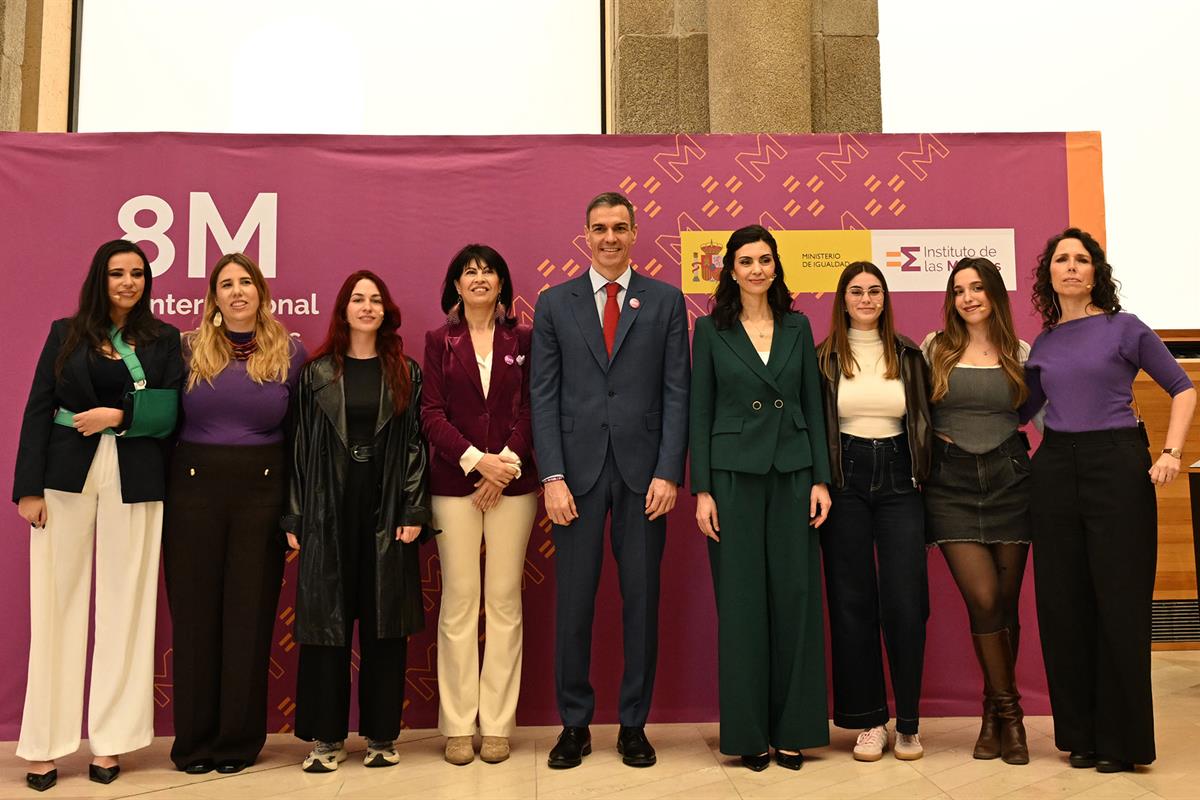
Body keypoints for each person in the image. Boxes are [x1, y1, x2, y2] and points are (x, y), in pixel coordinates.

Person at [1022, 228, 1195, 773]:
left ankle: (1122, 742)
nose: (1071, 267)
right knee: (1063, 603)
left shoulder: (1126, 327)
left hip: (1118, 464)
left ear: (1096, 272)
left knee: (1118, 603)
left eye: (1081, 259)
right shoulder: (1045, 341)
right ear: (1048, 274)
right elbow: (1019, 413)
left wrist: (1170, 450)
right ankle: (1083, 736)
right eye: (1061, 260)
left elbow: (1183, 388)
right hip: (1055, 468)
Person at [13, 239, 182, 792]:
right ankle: (44, 745)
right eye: (117, 274)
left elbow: (174, 408)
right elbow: (39, 407)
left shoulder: (164, 340)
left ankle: (110, 740)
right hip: (64, 477)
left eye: (137, 273)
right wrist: (27, 489)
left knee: (124, 605)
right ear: (100, 278)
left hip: (136, 478)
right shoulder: (66, 333)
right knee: (56, 604)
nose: (128, 282)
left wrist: (123, 414)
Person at [531, 191, 689, 769]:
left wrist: (669, 471)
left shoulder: (667, 301)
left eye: (620, 227)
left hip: (645, 476)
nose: (610, 238)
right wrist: (551, 476)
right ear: (585, 234)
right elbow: (542, 397)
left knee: (641, 601)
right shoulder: (554, 303)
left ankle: (633, 724)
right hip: (574, 477)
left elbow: (678, 392)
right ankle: (574, 724)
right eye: (599, 228)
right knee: (573, 603)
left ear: (635, 232)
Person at [690, 225, 831, 771]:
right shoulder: (709, 330)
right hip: (732, 477)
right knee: (743, 604)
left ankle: (794, 730)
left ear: (776, 267)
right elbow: (700, 411)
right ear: (729, 269)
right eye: (745, 260)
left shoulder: (799, 325)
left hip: (794, 472)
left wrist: (821, 477)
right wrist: (702, 488)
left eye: (764, 260)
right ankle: (749, 734)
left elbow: (812, 406)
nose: (755, 269)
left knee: (796, 600)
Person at [283, 270, 432, 773]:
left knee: (384, 624)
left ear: (385, 311)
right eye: (356, 299)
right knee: (327, 626)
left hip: (386, 506)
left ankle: (382, 736)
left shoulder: (405, 371)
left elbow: (415, 444)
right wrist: (296, 516)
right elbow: (300, 449)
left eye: (374, 300)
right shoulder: (317, 373)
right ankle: (326, 739)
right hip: (328, 506)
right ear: (343, 309)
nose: (366, 307)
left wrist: (413, 509)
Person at [163, 253, 306, 775]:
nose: (238, 291)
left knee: (249, 616)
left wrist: (295, 514)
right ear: (214, 297)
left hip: (262, 495)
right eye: (227, 284)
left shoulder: (289, 351)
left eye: (246, 282)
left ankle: (238, 743)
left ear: (261, 292)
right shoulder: (186, 349)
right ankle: (194, 743)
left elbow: (298, 441)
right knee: (197, 619)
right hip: (193, 493)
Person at [422, 244, 538, 766]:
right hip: (455, 485)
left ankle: (496, 723)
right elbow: (430, 413)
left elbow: (538, 406)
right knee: (461, 600)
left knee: (505, 600)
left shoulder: (526, 340)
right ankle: (457, 722)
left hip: (515, 483)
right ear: (454, 285)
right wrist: (476, 462)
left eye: (488, 270)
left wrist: (504, 463)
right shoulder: (437, 341)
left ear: (502, 284)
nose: (478, 278)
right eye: (468, 272)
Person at [816, 261, 932, 763]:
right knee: (851, 601)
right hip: (845, 481)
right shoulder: (822, 358)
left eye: (874, 291)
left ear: (885, 299)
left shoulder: (908, 353)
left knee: (907, 601)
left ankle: (907, 722)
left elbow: (927, 419)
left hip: (901, 477)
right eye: (856, 291)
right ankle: (869, 722)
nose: (866, 298)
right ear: (842, 300)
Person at [921, 257, 1032, 766]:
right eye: (960, 289)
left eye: (978, 288)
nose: (969, 297)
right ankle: (1011, 714)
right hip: (951, 485)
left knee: (1005, 607)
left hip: (1011, 480)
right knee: (984, 600)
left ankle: (993, 715)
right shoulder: (933, 349)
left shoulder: (1020, 352)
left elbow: (1039, 415)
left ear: (994, 295)